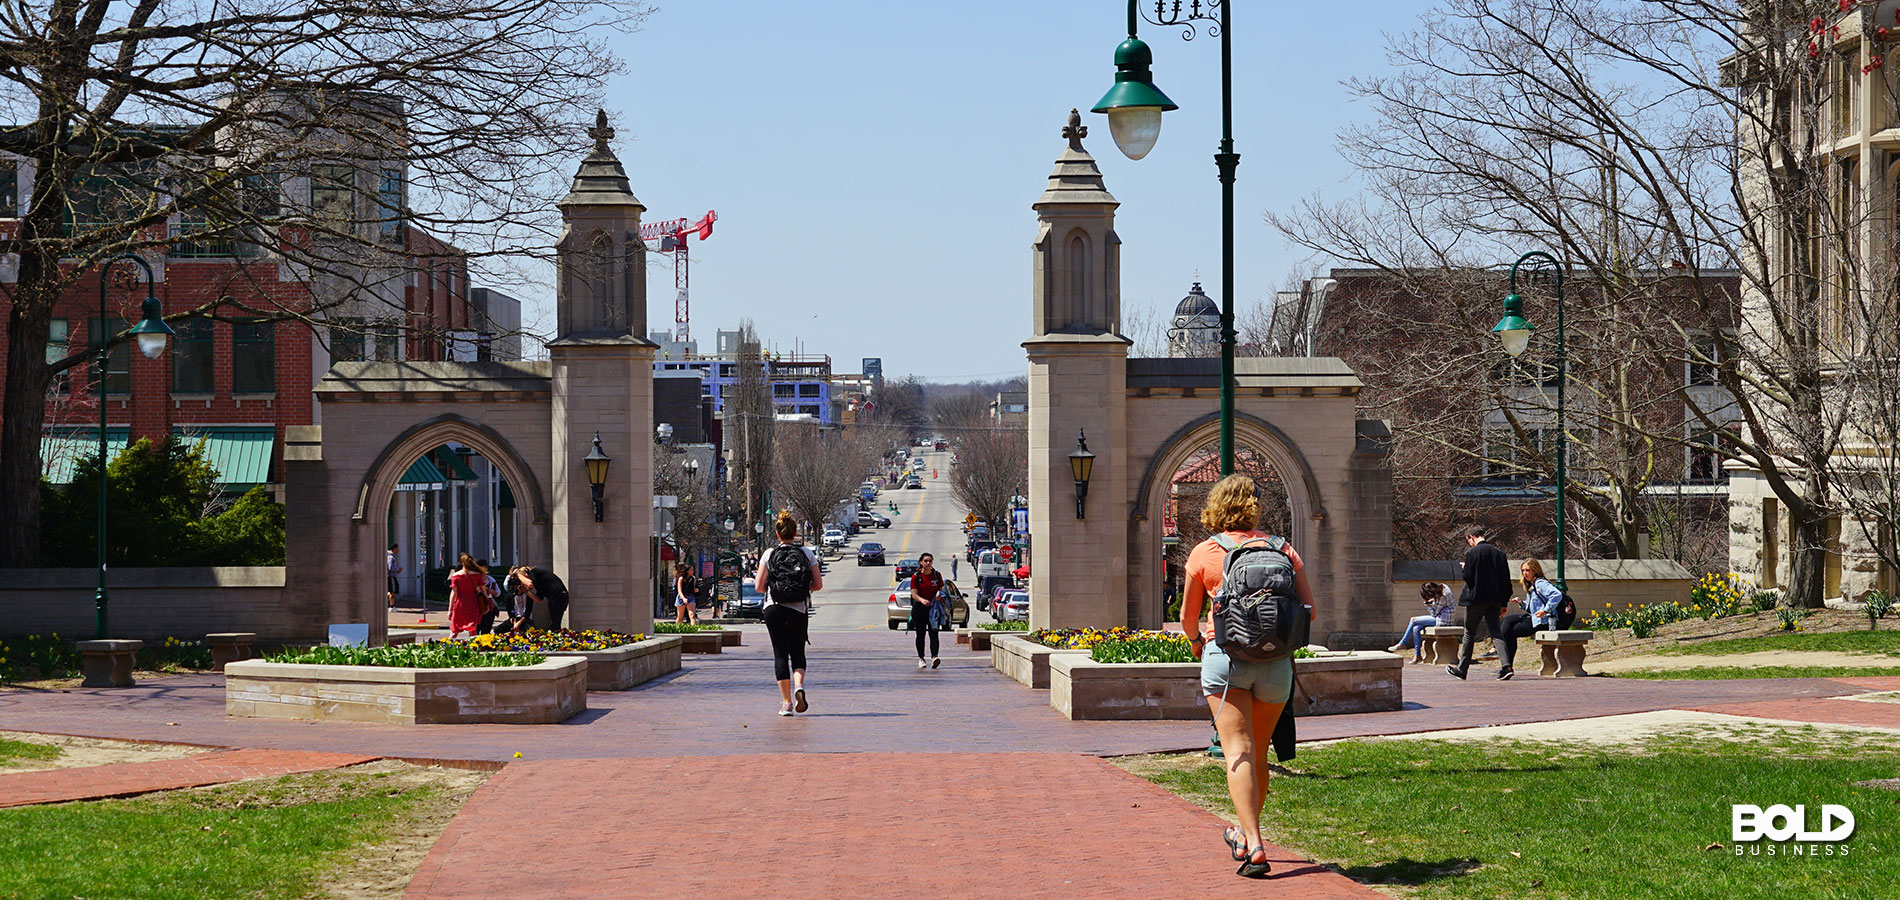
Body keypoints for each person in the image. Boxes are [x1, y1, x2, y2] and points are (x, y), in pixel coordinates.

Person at [1181, 474, 1314, 879]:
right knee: (1258, 753)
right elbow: (1308, 609)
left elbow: (1188, 620)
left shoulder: (1204, 553)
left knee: (1237, 750)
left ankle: (1253, 843)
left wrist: (1197, 642)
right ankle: (1244, 830)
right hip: (1275, 665)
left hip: (1225, 659)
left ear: (1215, 508)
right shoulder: (1282, 548)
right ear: (1254, 507)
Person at [756, 511, 822, 716]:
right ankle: (799, 686)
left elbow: (759, 587)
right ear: (796, 533)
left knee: (780, 654)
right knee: (798, 652)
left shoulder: (769, 554)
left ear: (777, 533)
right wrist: (800, 589)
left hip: (773, 607)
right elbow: (818, 585)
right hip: (798, 609)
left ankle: (786, 704)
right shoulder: (806, 553)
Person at [1447, 526, 1512, 681]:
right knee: (1496, 632)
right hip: (1495, 600)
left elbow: (1468, 577)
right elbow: (1506, 581)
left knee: (1469, 632)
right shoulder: (1499, 554)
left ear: (1471, 537)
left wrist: (1465, 568)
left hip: (1476, 599)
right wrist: (1504, 603)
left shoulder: (1472, 553)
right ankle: (1506, 666)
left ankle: (1462, 670)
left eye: (1468, 540)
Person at [1494, 559, 1564, 680]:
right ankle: (1506, 666)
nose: (1525, 573)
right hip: (1536, 619)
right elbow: (1532, 609)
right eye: (1523, 570)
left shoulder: (1540, 583)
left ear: (1535, 570)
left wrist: (1545, 610)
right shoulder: (1532, 585)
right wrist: (1521, 603)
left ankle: (1501, 656)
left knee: (1509, 624)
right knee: (1509, 626)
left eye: (1528, 570)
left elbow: (1557, 595)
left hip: (1545, 622)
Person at [1389, 582, 1456, 663]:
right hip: (1441, 617)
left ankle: (1402, 644)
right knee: (1416, 628)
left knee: (1413, 620)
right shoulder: (1443, 587)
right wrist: (1433, 601)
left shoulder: (1443, 596)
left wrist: (1428, 605)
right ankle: (1417, 655)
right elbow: (1439, 606)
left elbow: (1434, 613)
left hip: (1443, 620)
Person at [910, 552, 946, 669]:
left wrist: (939, 595)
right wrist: (922, 600)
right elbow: (914, 594)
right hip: (919, 609)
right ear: (921, 562)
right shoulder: (916, 577)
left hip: (933, 609)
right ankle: (921, 658)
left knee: (934, 632)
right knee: (920, 634)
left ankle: (934, 657)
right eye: (925, 561)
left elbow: (941, 590)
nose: (928, 563)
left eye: (930, 561)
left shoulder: (937, 575)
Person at [446, 553, 492, 640]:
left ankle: (446, 646)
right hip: (473, 603)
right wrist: (487, 602)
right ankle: (473, 648)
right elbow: (483, 590)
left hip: (460, 603)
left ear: (461, 563)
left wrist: (450, 609)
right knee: (472, 629)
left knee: (454, 630)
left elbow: (453, 593)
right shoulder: (477, 575)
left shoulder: (456, 576)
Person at [514, 565, 570, 630]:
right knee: (556, 622)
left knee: (555, 623)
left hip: (558, 595)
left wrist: (518, 574)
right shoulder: (539, 583)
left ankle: (557, 636)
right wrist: (525, 591)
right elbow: (538, 599)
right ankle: (557, 635)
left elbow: (529, 584)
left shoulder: (534, 572)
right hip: (558, 596)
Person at [476, 559, 502, 635]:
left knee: (486, 629)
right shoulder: (474, 580)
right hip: (477, 606)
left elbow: (498, 593)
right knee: (476, 629)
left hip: (488, 605)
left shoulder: (490, 580)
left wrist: (492, 592)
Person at [386, 543, 402, 609]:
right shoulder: (391, 557)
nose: (398, 550)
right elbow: (390, 567)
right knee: (392, 592)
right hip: (391, 576)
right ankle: (392, 606)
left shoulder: (389, 556)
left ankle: (391, 605)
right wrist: (397, 570)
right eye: (397, 548)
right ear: (394, 549)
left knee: (391, 591)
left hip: (390, 576)